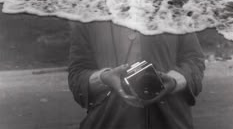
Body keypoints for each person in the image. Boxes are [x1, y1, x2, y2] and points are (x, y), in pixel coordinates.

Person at [68, 20, 205, 129]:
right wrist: (104, 78)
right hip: (108, 121)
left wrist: (174, 81)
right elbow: (77, 75)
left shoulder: (172, 7)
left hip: (170, 121)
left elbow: (194, 62)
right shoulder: (89, 16)